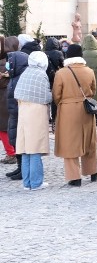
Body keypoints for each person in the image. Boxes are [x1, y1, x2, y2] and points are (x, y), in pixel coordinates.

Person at [53, 44, 97, 187]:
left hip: (68, 110)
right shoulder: (89, 71)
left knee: (70, 143)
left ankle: (74, 177)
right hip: (86, 110)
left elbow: (56, 95)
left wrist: (64, 103)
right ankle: (93, 172)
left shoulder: (61, 73)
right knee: (88, 141)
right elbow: (93, 91)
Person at [13, 51, 52, 190]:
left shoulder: (26, 72)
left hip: (23, 112)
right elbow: (46, 97)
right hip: (36, 113)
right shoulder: (41, 75)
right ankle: (36, 182)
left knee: (25, 149)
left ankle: (27, 183)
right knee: (35, 148)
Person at [5, 45, 26, 180]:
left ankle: (23, 168)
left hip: (19, 113)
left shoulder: (21, 77)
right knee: (14, 139)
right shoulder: (15, 75)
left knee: (20, 141)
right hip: (13, 113)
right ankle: (19, 167)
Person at [0, 36, 17, 164]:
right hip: (7, 96)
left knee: (3, 128)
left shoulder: (3, 62)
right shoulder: (12, 60)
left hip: (3, 97)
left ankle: (11, 153)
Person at [82, 33, 97, 124]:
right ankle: (96, 117)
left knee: (86, 97)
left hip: (84, 80)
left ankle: (87, 118)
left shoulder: (81, 54)